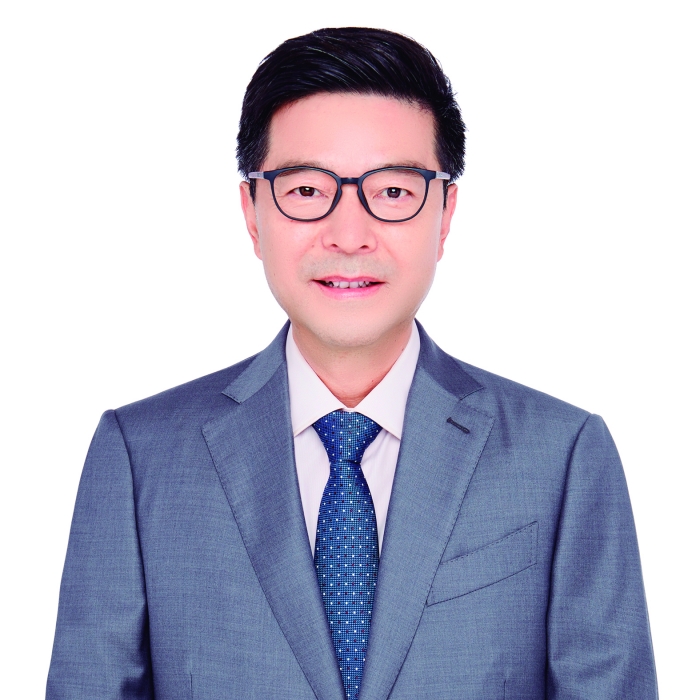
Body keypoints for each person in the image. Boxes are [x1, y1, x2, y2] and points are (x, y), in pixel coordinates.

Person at [46, 27, 658, 700]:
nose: (348, 234)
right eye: (307, 190)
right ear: (251, 212)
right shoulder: (140, 459)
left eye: (393, 192)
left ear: (445, 214)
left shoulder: (562, 456)